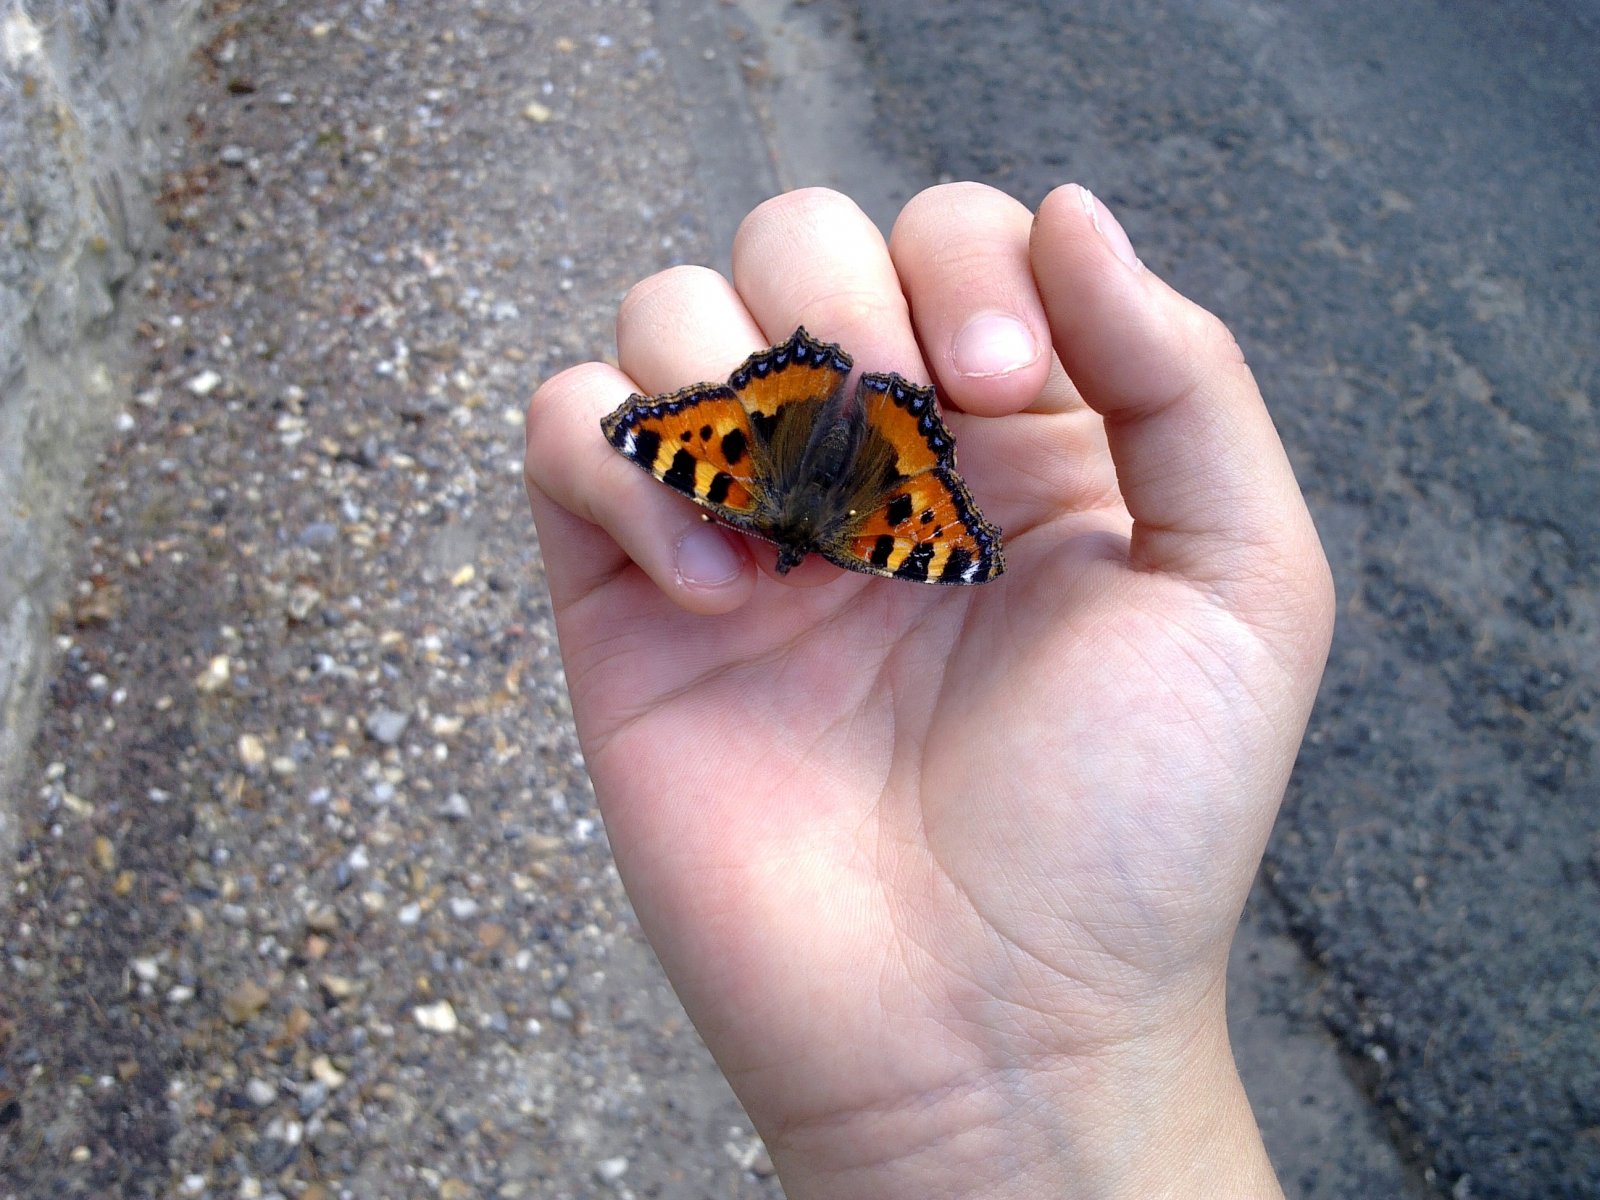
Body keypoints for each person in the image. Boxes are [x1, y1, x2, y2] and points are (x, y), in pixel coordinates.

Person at [522, 183, 1333, 1198]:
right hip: (877, 470)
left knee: (696, 451)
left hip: (771, 435)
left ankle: (811, 392)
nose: (793, 568)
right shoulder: (877, 542)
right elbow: (929, 539)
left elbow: (661, 429)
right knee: (799, 450)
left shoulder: (756, 507)